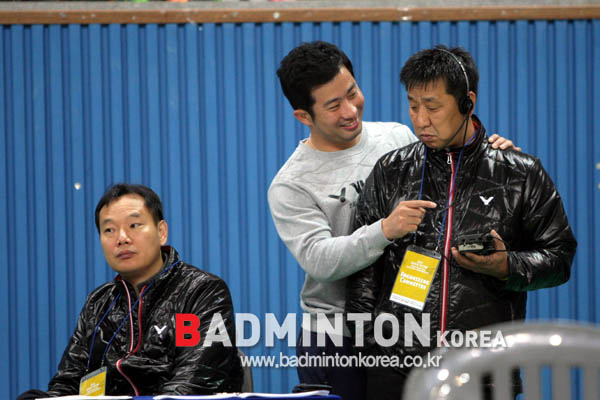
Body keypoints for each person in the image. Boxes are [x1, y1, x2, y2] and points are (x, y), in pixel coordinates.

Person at [268, 41, 518, 400]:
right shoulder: (291, 184)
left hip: (404, 330)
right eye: (334, 105)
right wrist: (385, 229)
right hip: (337, 336)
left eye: (352, 93)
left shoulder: (396, 137)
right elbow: (319, 260)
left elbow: (452, 182)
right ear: (304, 116)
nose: (350, 110)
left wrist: (494, 159)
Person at [345, 45, 577, 399]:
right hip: (396, 371)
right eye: (413, 105)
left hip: (485, 370)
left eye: (433, 107)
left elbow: (559, 258)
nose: (420, 120)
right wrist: (369, 353)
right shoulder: (391, 170)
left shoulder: (520, 173)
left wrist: (507, 265)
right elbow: (363, 273)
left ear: (468, 102)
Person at [18, 183, 243, 399]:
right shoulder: (98, 303)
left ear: (161, 232)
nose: (122, 238)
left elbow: (193, 385)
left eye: (134, 225)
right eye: (109, 230)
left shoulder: (201, 291)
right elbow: (68, 384)